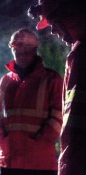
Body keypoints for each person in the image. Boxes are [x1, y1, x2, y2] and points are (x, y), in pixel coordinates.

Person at [0, 28, 63, 175]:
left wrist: (38, 144)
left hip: (39, 162)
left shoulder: (52, 80)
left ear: (35, 49)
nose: (22, 53)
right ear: (12, 49)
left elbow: (59, 116)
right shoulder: (5, 82)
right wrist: (3, 142)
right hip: (10, 160)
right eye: (18, 48)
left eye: (27, 49)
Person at [28, 0, 86, 174]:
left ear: (70, 15)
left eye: (53, 22)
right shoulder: (78, 54)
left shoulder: (81, 57)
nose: (52, 31)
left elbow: (76, 129)